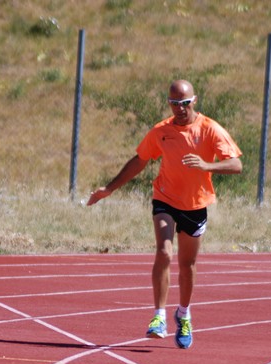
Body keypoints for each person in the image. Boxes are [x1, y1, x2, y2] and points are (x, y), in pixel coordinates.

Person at [88, 79, 242, 349]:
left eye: (184, 103)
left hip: (195, 205)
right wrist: (109, 188)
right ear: (169, 103)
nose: (179, 109)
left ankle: (183, 314)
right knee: (163, 252)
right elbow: (140, 160)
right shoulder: (161, 131)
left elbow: (236, 164)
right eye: (174, 103)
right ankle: (158, 316)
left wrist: (206, 165)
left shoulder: (210, 129)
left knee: (187, 265)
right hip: (165, 199)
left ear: (194, 101)